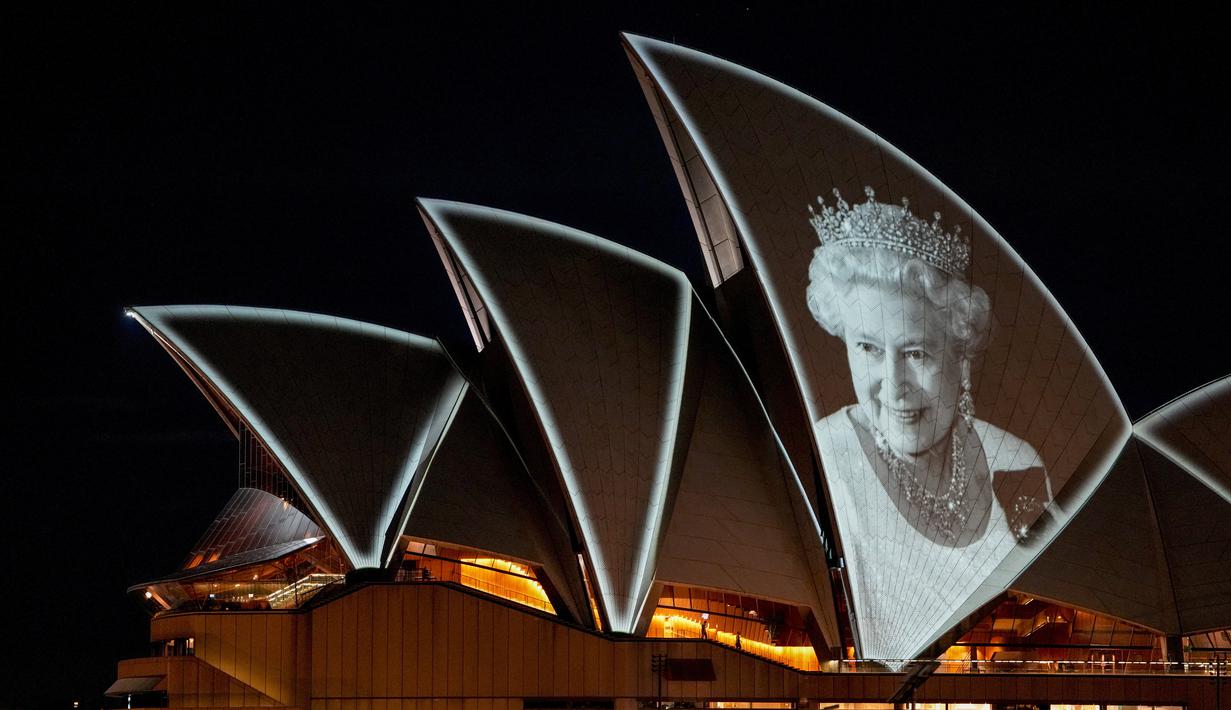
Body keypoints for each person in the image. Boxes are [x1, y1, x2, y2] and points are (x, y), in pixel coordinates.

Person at [805, 186, 1050, 660]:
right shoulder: (821, 461)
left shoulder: (1017, 460)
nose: (893, 384)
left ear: (961, 354)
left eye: (916, 353)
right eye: (868, 348)